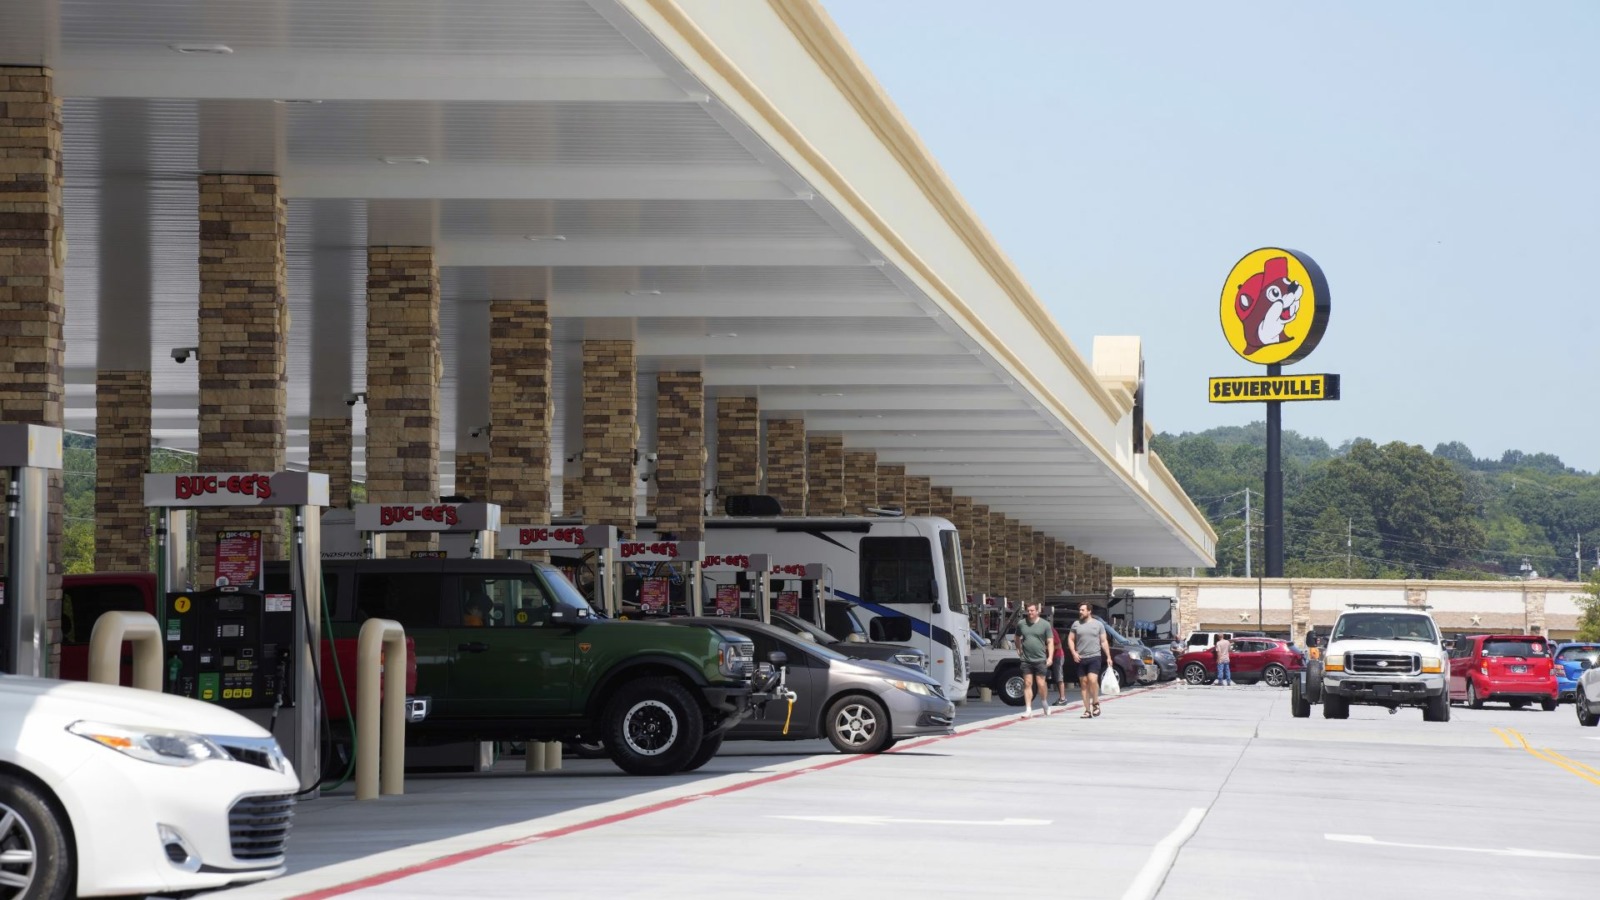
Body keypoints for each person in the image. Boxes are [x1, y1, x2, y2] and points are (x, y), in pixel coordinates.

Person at [1012, 601, 1055, 718]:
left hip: (1040, 658)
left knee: (1041, 683)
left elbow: (1050, 641)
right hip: (1026, 659)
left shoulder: (1045, 625)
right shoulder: (1022, 624)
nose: (1030, 613)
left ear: (1037, 611)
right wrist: (1018, 649)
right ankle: (1028, 709)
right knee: (1027, 683)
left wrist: (1050, 657)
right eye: (1028, 611)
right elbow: (1016, 637)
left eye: (1032, 611)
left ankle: (1044, 703)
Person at [1070, 603, 1112, 718]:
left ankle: (1096, 703)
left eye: (1082, 610)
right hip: (1080, 658)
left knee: (1092, 680)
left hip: (1094, 656)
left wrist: (1108, 656)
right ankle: (1087, 710)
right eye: (1080, 610)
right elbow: (1070, 639)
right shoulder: (1076, 624)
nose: (1080, 612)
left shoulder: (1098, 625)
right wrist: (1074, 652)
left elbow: (1103, 641)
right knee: (1083, 684)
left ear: (1089, 611)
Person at [1051, 624, 1070, 706]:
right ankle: (1061, 697)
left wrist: (1045, 647)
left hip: (1058, 656)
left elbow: (1059, 645)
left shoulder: (1051, 631)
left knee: (1059, 677)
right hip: (1052, 656)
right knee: (1056, 677)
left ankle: (1063, 698)